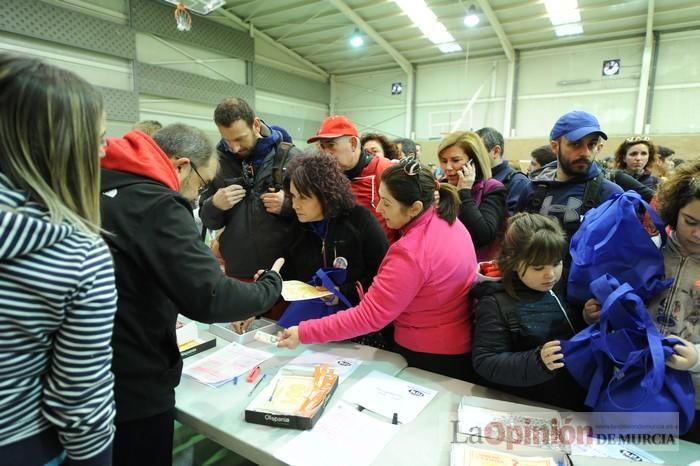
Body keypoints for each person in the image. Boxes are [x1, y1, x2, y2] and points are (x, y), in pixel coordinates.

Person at [100, 123, 284, 466]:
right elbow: (209, 295)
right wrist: (268, 287)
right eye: (200, 184)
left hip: (90, 373)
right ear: (182, 165)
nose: (194, 196)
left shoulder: (100, 186)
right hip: (135, 381)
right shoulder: (157, 204)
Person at [0, 55, 117, 465]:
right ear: (59, 143)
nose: (106, 149)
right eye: (98, 136)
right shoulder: (76, 252)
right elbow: (78, 394)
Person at [277, 158, 479, 381]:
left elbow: (369, 316)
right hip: (456, 342)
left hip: (428, 354)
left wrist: (305, 332)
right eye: (380, 199)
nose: (380, 209)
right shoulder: (449, 221)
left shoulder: (411, 252)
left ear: (415, 208)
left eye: (387, 203)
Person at [471, 213, 585, 410]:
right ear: (514, 263)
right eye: (538, 267)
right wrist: (536, 362)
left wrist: (585, 317)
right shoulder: (495, 303)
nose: (550, 274)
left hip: (570, 395)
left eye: (556, 263)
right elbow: (485, 361)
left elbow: (569, 324)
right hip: (531, 404)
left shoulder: (560, 283)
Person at [277, 153, 391, 346]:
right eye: (292, 197)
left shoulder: (360, 220)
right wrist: (270, 282)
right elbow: (291, 275)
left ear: (326, 194)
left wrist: (343, 293)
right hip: (310, 327)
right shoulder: (298, 226)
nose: (295, 205)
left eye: (303, 198)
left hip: (357, 327)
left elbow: (383, 276)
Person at [627, 160, 699, 441]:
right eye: (690, 222)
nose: (697, 234)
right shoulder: (647, 250)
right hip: (635, 381)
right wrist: (595, 313)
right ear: (673, 212)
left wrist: (696, 359)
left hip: (692, 396)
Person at [199, 97, 301, 279]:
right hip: (238, 273)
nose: (235, 148)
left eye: (240, 139)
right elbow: (209, 221)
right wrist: (214, 204)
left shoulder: (291, 157)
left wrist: (287, 205)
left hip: (287, 272)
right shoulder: (216, 163)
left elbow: (316, 214)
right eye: (227, 140)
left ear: (255, 125)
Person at [308, 115, 398, 243]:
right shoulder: (325, 177)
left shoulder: (385, 169)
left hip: (382, 258)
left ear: (353, 144)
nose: (326, 153)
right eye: (323, 147)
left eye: (331, 145)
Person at [438, 131, 507, 261]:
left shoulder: (492, 188)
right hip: (442, 264)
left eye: (455, 160)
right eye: (443, 161)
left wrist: (464, 192)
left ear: (474, 161)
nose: (448, 167)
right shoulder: (439, 188)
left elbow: (482, 236)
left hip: (474, 268)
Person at [476, 127, 529, 215]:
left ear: (496, 151)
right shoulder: (472, 179)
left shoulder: (518, 182)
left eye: (476, 152)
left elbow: (513, 223)